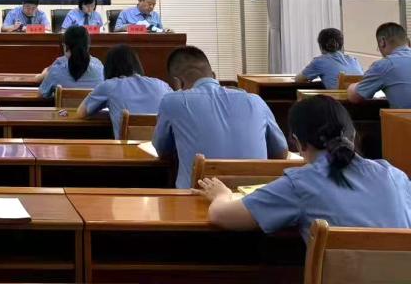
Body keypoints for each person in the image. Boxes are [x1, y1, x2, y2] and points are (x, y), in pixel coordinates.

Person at [197, 95, 411, 242]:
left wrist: (222, 195)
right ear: (353, 135)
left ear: (298, 143)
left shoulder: (300, 184)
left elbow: (221, 216)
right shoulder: (394, 175)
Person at [154, 46, 288, 189]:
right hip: (253, 197)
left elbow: (163, 151)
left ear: (177, 82)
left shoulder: (172, 101)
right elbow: (281, 151)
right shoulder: (256, 101)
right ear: (213, 75)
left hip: (197, 197)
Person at [77, 44, 172, 139]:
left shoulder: (109, 86)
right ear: (137, 64)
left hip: (127, 147)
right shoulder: (162, 84)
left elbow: (81, 113)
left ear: (109, 67)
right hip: (163, 147)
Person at [348, 22, 411, 108]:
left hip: (404, 117)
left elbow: (354, 97)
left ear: (382, 42)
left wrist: (352, 86)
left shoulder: (385, 64)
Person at [38, 27, 104, 98]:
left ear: (66, 46)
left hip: (63, 106)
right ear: (88, 46)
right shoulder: (100, 69)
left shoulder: (56, 71)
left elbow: (42, 93)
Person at [296, 28, 363, 90]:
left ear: (320, 46)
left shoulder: (320, 61)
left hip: (339, 99)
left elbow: (299, 79)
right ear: (341, 45)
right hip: (360, 98)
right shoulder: (354, 60)